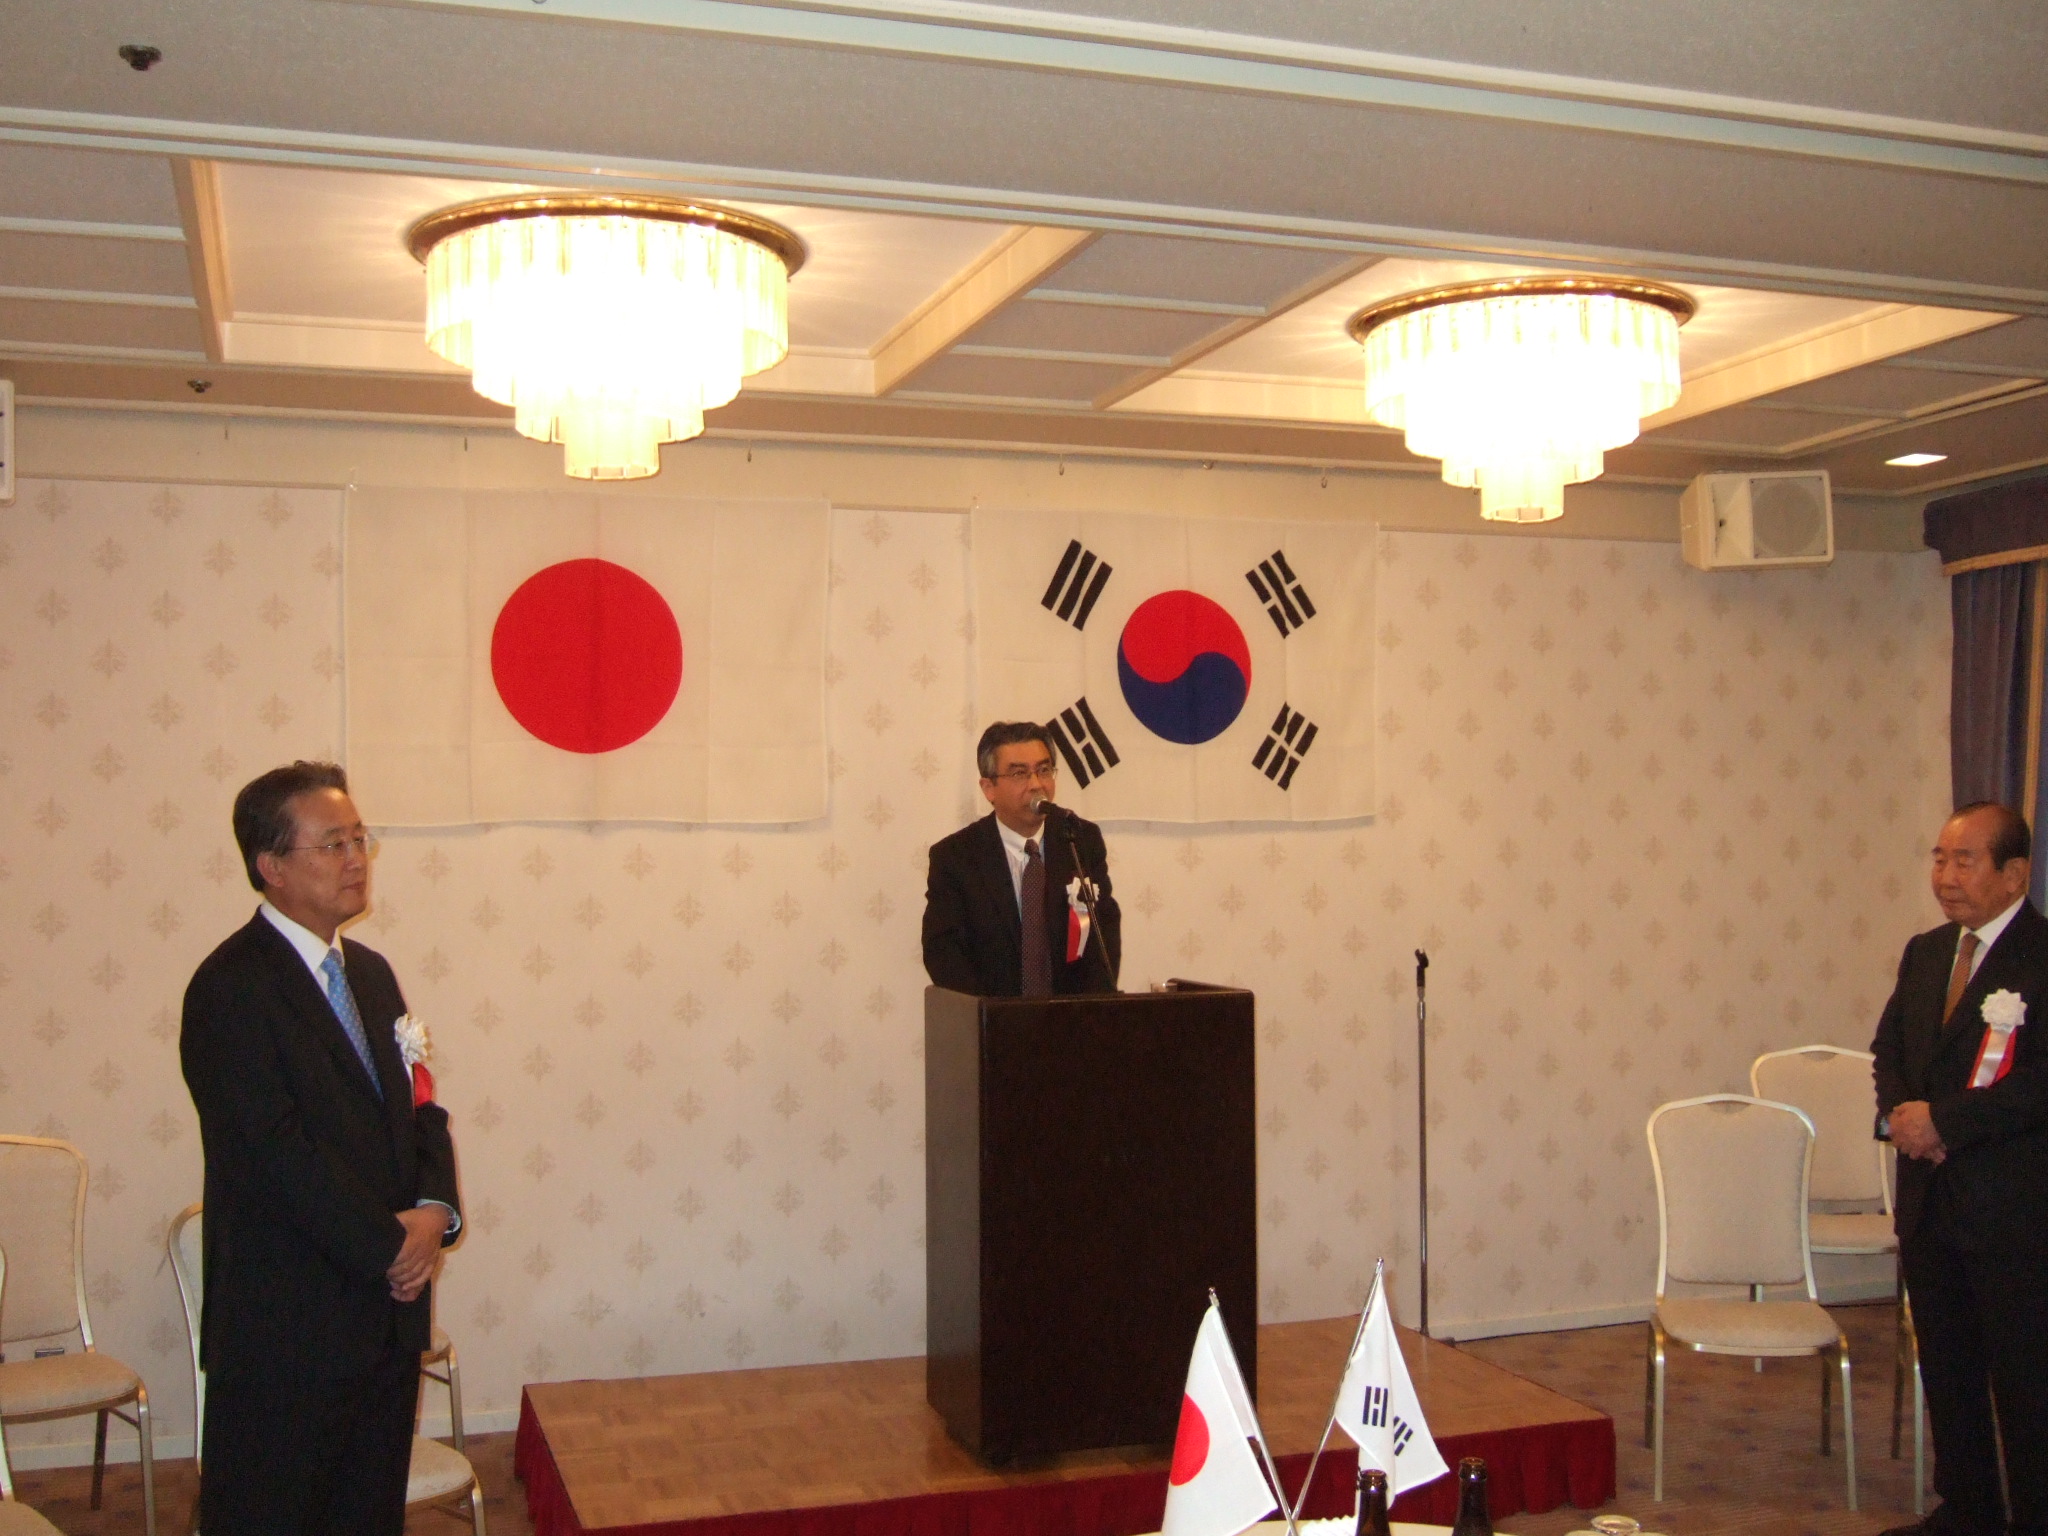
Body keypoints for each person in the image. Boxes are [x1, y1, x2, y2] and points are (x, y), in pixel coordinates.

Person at [181, 762, 461, 1536]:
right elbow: (273, 1155)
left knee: (366, 1515)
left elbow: (420, 1108)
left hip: (384, 1320)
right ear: (271, 866)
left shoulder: (370, 975)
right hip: (287, 1324)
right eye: (333, 843)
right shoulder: (230, 987)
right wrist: (391, 1248)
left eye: (360, 839)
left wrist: (434, 1211)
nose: (355, 859)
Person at [1872, 801, 2048, 1536]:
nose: (1946, 876)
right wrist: (1903, 1117)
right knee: (1948, 1366)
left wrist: (1946, 1123)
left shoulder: (2040, 957)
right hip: (1930, 1202)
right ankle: (1969, 1510)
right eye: (1940, 859)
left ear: (2015, 873)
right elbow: (1888, 1050)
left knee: (2025, 1378)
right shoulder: (1927, 951)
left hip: (2011, 1209)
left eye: (1965, 861)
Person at [922, 721, 1121, 996]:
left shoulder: (1079, 839)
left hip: (1073, 1015)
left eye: (1044, 770)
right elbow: (944, 954)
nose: (1036, 785)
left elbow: (1104, 935)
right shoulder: (955, 857)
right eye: (1019, 774)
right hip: (993, 1015)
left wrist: (1087, 1011)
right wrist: (993, 1014)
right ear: (989, 788)